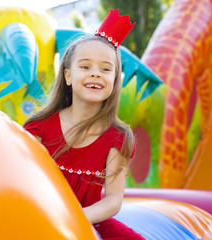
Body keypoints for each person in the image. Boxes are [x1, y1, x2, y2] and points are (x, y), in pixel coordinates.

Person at [24, 9, 145, 239]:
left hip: (88, 220)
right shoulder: (39, 128)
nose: (96, 74)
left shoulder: (118, 138)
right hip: (39, 217)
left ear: (115, 80)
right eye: (86, 67)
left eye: (106, 69)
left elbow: (112, 200)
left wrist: (75, 217)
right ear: (68, 76)